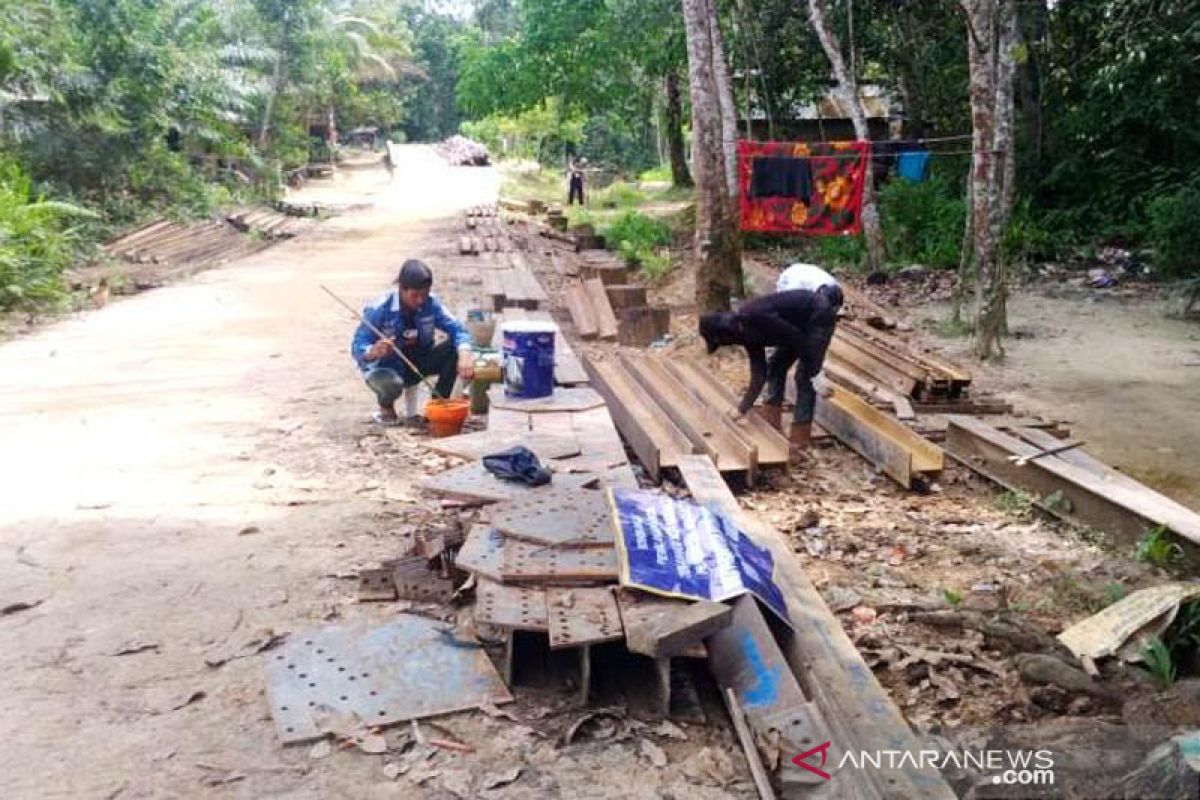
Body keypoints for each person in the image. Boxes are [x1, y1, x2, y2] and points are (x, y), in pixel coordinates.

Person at [698, 283, 843, 455]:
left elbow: (798, 339)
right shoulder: (746, 334)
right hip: (795, 329)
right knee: (775, 367)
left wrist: (815, 373)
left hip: (818, 316)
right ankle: (772, 423)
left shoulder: (754, 315)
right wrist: (741, 409)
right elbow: (759, 374)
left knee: (804, 378)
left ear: (726, 334)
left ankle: (799, 442)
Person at [351, 259, 475, 427]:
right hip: (387, 367)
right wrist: (373, 351)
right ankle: (386, 407)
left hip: (418, 361)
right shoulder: (379, 309)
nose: (420, 301)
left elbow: (458, 329)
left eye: (424, 295)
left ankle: (439, 404)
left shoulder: (431, 304)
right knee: (390, 383)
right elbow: (358, 344)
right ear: (402, 289)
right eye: (415, 295)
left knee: (455, 349)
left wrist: (465, 354)